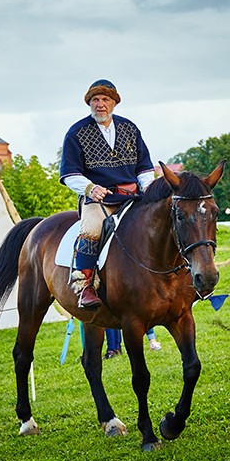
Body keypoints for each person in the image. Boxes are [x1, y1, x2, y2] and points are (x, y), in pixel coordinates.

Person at [59, 79, 155, 310]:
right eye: (95, 100)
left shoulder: (130, 128)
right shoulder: (77, 132)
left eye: (105, 100)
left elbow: (144, 167)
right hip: (98, 198)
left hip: (131, 198)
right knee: (91, 230)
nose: (100, 105)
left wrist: (148, 187)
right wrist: (90, 188)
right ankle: (85, 287)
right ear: (89, 104)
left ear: (114, 103)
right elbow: (69, 173)